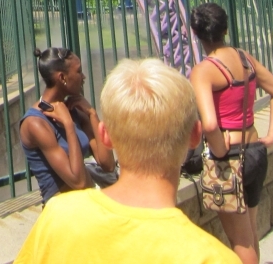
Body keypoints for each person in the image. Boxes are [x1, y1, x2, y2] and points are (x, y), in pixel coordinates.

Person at [15, 58, 239, 264]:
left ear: (106, 135)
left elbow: (105, 165)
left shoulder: (55, 220)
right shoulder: (213, 258)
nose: (82, 76)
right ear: (195, 135)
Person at [189, 3, 273, 264]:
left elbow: (209, 125)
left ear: (195, 33)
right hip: (255, 150)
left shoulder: (204, 71)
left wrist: (220, 154)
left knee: (240, 242)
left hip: (230, 156)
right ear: (226, 28)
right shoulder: (245, 59)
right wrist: (272, 134)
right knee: (251, 234)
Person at [20, 47, 116, 205]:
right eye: (79, 71)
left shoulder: (75, 109)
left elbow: (108, 165)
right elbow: (77, 182)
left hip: (87, 199)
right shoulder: (35, 123)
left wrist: (92, 114)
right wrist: (69, 126)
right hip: (62, 208)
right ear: (62, 77)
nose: (83, 77)